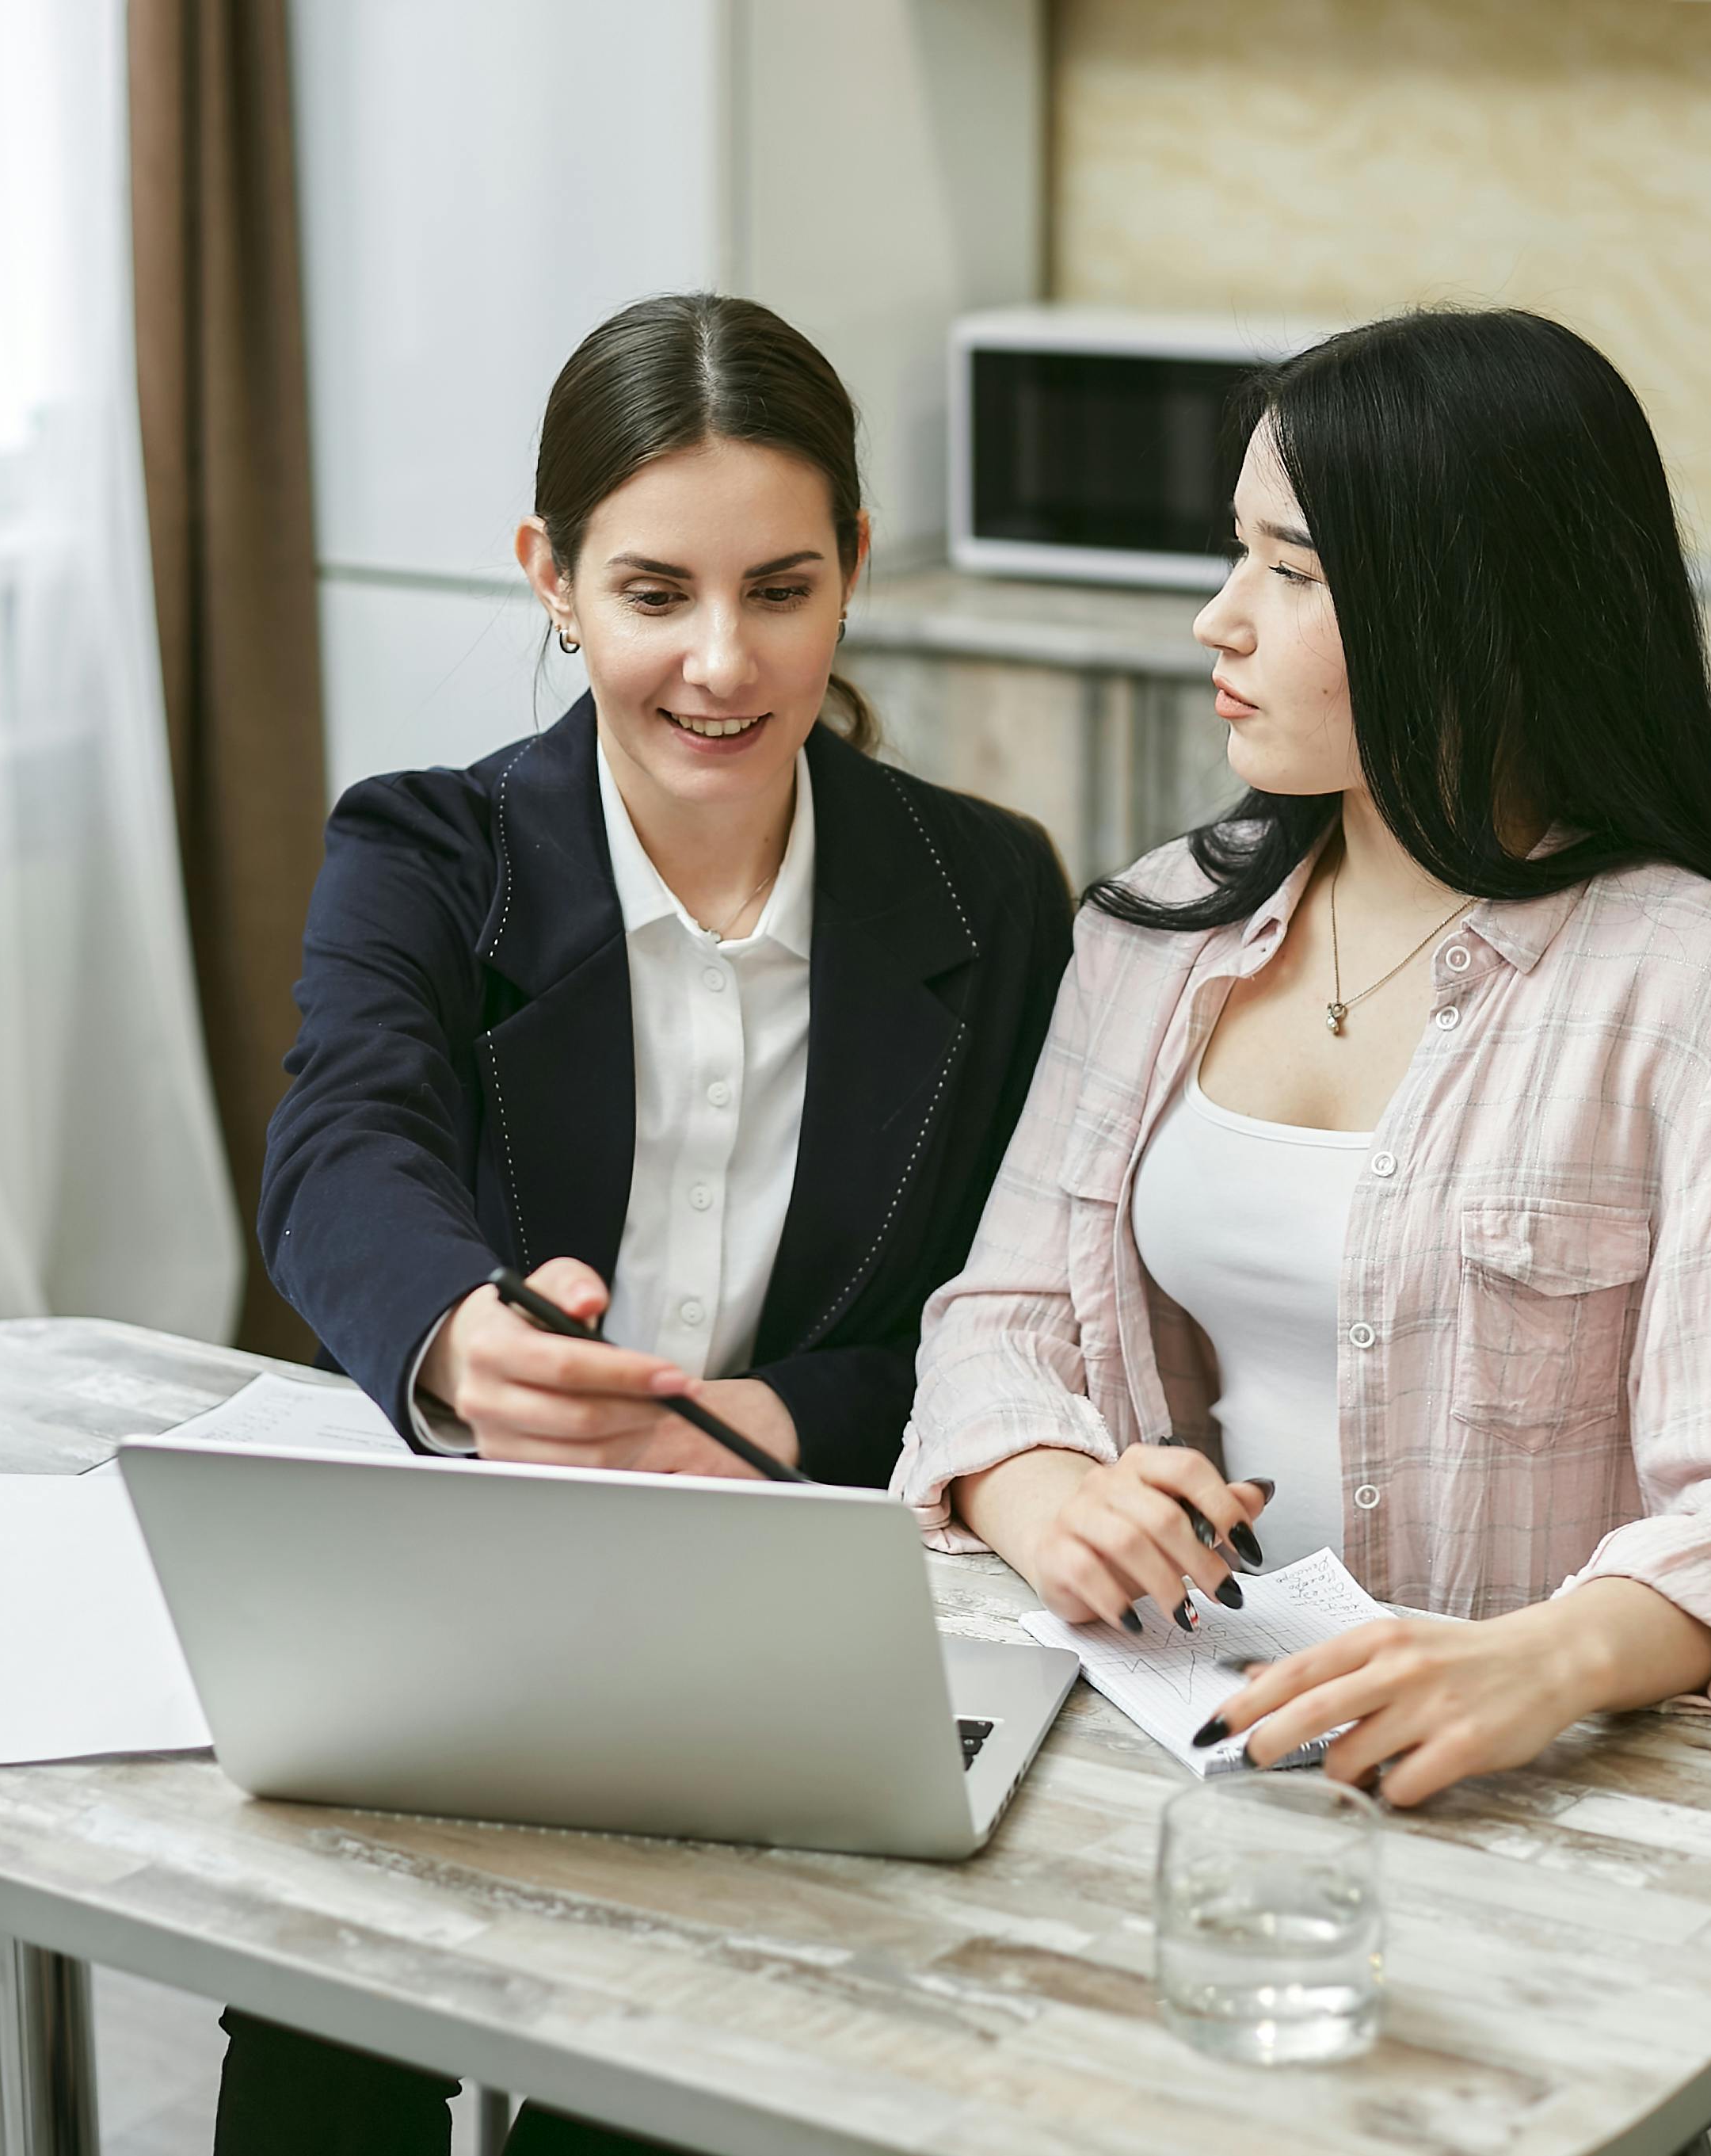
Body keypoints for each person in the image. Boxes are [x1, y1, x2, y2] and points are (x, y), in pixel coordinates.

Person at [220, 293, 1073, 2154]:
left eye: (778, 588)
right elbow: (337, 1150)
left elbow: (1004, 1306)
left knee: (663, 2088)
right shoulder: (425, 850)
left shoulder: (989, 890)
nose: (717, 663)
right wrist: (462, 1339)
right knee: (323, 2039)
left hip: (791, 1609)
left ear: (852, 568)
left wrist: (765, 1427)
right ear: (550, 577)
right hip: (455, 1592)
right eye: (651, 592)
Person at [896, 307, 1711, 1815]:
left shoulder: (1705, 997)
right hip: (1168, 1743)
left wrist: (1536, 1662)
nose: (1220, 617)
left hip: (1524, 1794)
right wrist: (1056, 1499)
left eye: (1289, 573)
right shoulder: (1157, 932)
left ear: (1470, 612)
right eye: (1238, 554)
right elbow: (997, 1319)